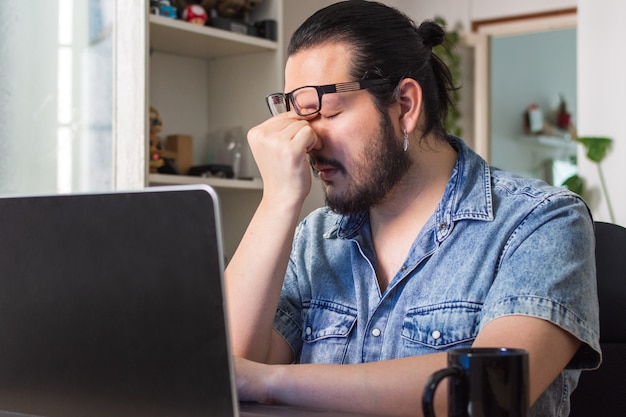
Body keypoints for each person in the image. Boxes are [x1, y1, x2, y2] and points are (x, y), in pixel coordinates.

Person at [225, 2, 601, 416]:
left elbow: (491, 389)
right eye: (296, 120)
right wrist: (277, 201)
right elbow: (228, 370)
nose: (307, 142)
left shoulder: (541, 222)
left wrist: (271, 382)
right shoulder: (315, 238)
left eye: (327, 113)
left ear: (405, 105)